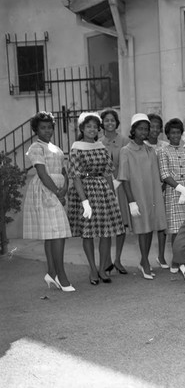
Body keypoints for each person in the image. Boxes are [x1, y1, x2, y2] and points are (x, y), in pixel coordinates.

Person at [68, 112, 125, 285]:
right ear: (82, 129)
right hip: (85, 190)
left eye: (94, 126)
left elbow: (108, 172)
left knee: (106, 232)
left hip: (103, 191)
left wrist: (112, 195)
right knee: (89, 233)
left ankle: (102, 268)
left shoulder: (101, 146)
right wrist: (84, 201)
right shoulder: (76, 147)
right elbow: (75, 176)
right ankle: (93, 268)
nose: (92, 129)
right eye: (88, 126)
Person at [23, 111, 74, 292]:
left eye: (49, 127)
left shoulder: (56, 148)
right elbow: (43, 174)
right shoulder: (36, 148)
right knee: (57, 233)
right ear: (36, 130)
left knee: (54, 233)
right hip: (46, 191)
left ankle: (51, 273)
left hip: (58, 191)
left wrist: (65, 188)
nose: (47, 130)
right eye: (42, 128)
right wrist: (57, 193)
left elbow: (64, 171)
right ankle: (61, 275)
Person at [118, 114, 168, 280]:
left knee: (149, 229)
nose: (144, 132)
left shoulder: (151, 150)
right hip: (137, 195)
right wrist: (131, 202)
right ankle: (145, 262)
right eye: (140, 128)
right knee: (142, 230)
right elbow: (124, 178)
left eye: (146, 129)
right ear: (133, 130)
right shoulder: (126, 151)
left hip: (152, 195)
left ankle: (143, 260)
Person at [158, 118, 185, 273]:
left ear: (182, 134)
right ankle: (176, 259)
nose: (175, 135)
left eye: (178, 132)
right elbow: (165, 174)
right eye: (172, 132)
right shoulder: (163, 151)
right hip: (173, 192)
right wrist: (181, 188)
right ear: (168, 134)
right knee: (176, 230)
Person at [99, 108, 129, 275]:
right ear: (102, 123)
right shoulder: (97, 142)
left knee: (121, 225)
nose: (109, 123)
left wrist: (118, 181)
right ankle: (107, 261)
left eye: (112, 120)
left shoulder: (124, 141)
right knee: (107, 225)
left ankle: (118, 259)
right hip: (103, 188)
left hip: (121, 186)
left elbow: (127, 164)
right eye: (106, 120)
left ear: (116, 123)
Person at [144, 113, 169, 270]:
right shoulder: (141, 145)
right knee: (146, 226)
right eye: (150, 126)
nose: (154, 129)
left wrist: (165, 184)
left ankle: (161, 256)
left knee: (162, 225)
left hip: (163, 188)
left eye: (157, 126)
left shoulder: (165, 146)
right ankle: (144, 259)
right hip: (146, 190)